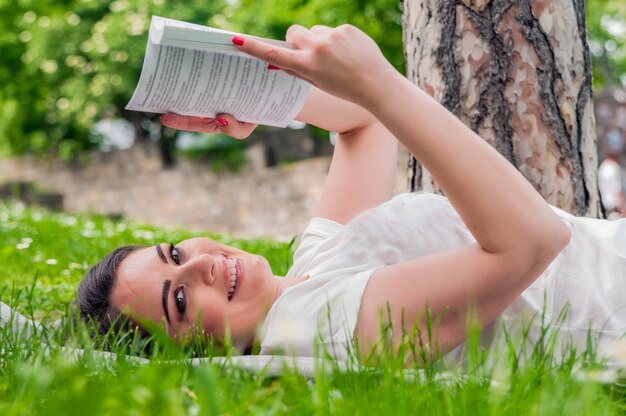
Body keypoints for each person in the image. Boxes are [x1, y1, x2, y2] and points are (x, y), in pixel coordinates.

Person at [78, 24, 626, 366]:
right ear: (196, 353)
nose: (201, 265)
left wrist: (257, 101)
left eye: (175, 252)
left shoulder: (312, 271)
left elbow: (363, 125)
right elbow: (532, 242)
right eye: (178, 300)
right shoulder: (318, 325)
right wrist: (380, 82)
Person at [598, 129, 626, 219]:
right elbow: (618, 192)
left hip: (611, 214)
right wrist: (624, 210)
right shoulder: (613, 168)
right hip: (618, 213)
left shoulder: (603, 166)